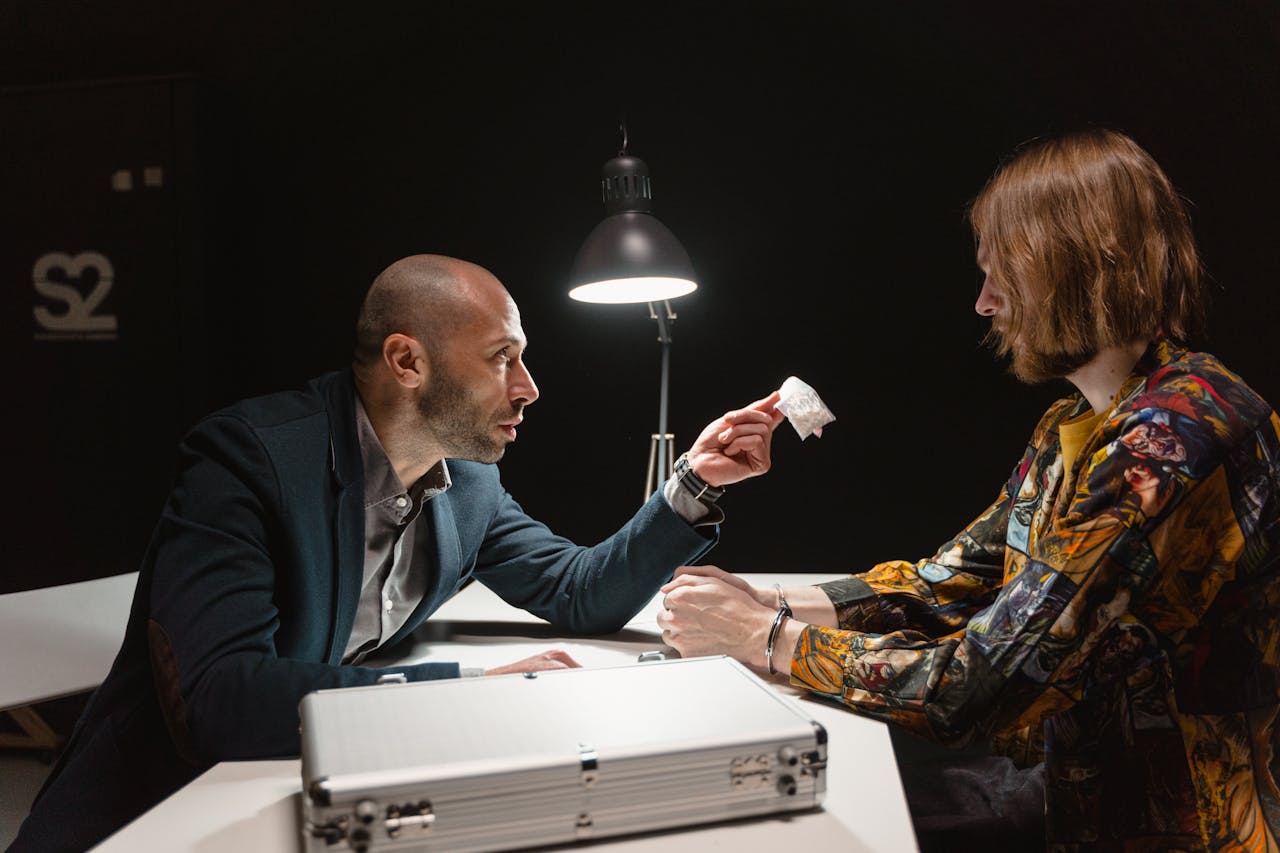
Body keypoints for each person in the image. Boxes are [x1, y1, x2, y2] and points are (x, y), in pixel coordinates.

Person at [13, 254, 785, 851]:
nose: (529, 387)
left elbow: (582, 592)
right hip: (152, 817)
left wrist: (692, 482)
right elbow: (219, 702)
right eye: (502, 357)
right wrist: (464, 694)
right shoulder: (248, 460)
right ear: (408, 362)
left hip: (293, 799)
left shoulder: (469, 486)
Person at [657, 129, 1280, 850]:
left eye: (1002, 275)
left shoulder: (1178, 437)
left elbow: (978, 686)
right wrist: (767, 602)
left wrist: (760, 637)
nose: (984, 303)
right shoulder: (1072, 424)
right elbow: (949, 583)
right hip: (1073, 797)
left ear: (1074, 263)